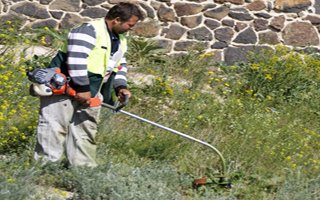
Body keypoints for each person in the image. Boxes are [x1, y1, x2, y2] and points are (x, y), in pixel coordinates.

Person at [34, 2, 144, 167]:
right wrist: (83, 88)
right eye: (130, 25)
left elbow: (119, 64)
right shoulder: (88, 30)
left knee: (86, 129)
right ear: (117, 19)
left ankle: (82, 167)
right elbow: (76, 60)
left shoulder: (120, 38)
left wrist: (120, 86)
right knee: (54, 127)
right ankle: (44, 168)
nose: (131, 29)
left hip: (93, 89)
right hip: (64, 86)